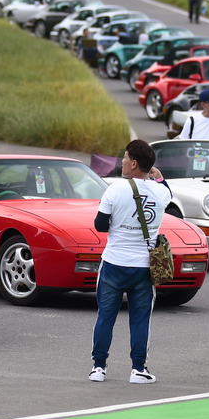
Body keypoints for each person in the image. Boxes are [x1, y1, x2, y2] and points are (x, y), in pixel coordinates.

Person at [90, 140, 172, 384]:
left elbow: (100, 225)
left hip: (114, 262)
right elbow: (166, 188)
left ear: (134, 163)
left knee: (106, 316)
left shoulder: (115, 189)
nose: (122, 162)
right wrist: (157, 176)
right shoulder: (161, 193)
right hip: (143, 266)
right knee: (140, 318)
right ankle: (138, 369)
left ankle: (99, 367)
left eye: (125, 158)